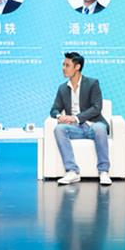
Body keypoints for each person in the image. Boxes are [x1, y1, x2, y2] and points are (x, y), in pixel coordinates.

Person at [50, 52, 112, 185]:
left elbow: (97, 107)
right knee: (59, 129)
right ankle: (72, 171)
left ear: (77, 67)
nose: (63, 68)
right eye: (63, 65)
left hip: (92, 125)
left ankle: (104, 171)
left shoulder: (92, 83)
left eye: (67, 65)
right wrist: (60, 116)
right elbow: (54, 109)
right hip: (75, 129)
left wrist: (75, 118)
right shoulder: (62, 88)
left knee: (100, 128)